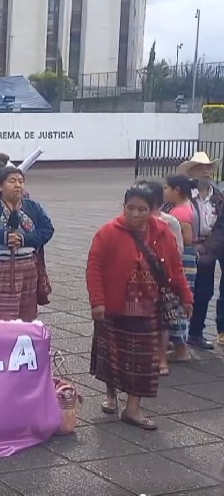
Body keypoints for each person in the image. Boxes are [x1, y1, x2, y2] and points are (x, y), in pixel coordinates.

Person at [87, 186, 193, 430]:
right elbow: (94, 268)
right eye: (130, 208)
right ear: (123, 207)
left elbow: (175, 269)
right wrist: (98, 302)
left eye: (142, 209)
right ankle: (111, 396)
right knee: (110, 355)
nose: (135, 214)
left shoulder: (163, 233)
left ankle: (132, 409)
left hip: (148, 306)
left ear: (152, 209)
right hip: (114, 306)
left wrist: (186, 297)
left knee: (144, 362)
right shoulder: (108, 233)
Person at [0, 167, 54, 320]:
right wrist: (3, 237)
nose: (18, 185)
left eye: (21, 181)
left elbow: (47, 230)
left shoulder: (33, 207)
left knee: (25, 313)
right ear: (0, 186)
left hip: (27, 271)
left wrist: (24, 240)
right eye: (12, 181)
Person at [136, 180, 191, 373]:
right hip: (141, 280)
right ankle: (153, 357)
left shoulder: (169, 222)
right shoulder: (133, 224)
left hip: (162, 280)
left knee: (164, 321)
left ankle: (162, 360)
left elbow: (177, 252)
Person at [176, 153, 224, 349]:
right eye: (200, 168)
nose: (205, 172)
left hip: (214, 244)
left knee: (209, 291)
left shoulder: (218, 195)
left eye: (208, 168)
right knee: (196, 291)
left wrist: (209, 248)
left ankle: (201, 332)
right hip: (192, 246)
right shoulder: (185, 196)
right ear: (192, 172)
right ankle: (187, 333)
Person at [163, 175, 198, 297]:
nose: (164, 192)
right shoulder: (189, 204)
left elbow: (187, 239)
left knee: (181, 292)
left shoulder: (179, 212)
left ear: (176, 190)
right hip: (190, 255)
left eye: (166, 188)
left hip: (184, 257)